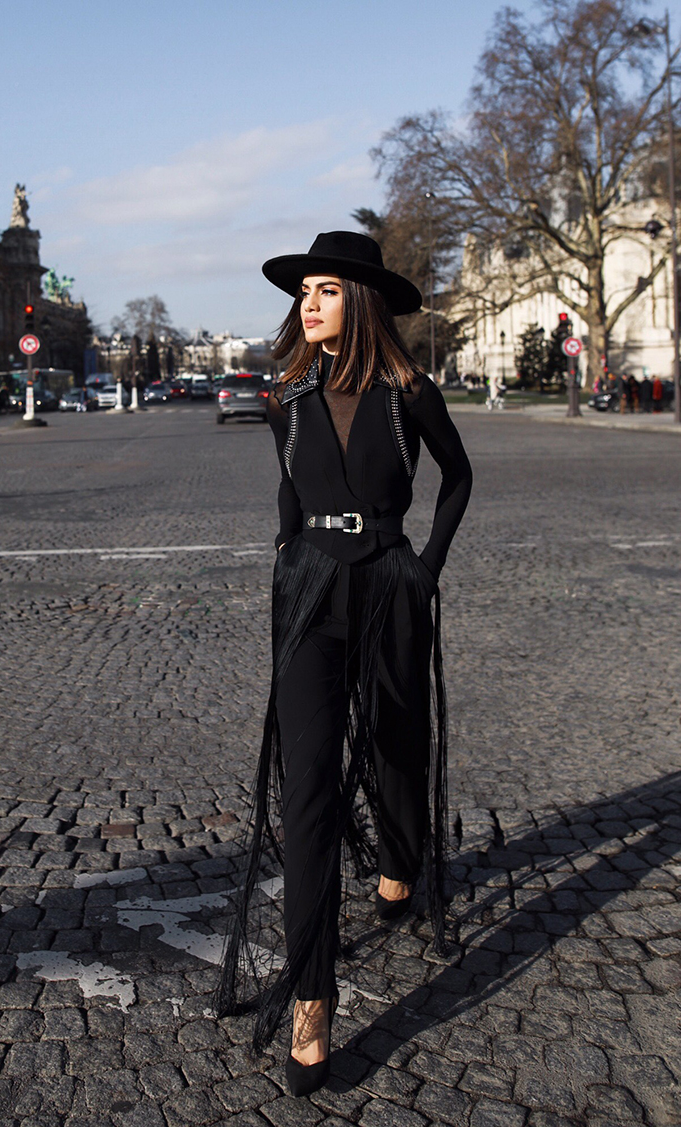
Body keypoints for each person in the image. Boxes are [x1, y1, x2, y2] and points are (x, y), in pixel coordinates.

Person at [215, 231, 473, 1096]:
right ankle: (312, 1003)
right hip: (311, 600)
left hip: (389, 587)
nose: (308, 305)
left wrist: (425, 568)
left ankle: (401, 864)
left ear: (358, 301)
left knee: (399, 740)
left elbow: (460, 476)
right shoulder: (285, 396)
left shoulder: (409, 392)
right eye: (304, 293)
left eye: (325, 291)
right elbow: (290, 488)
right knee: (309, 790)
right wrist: (288, 551)